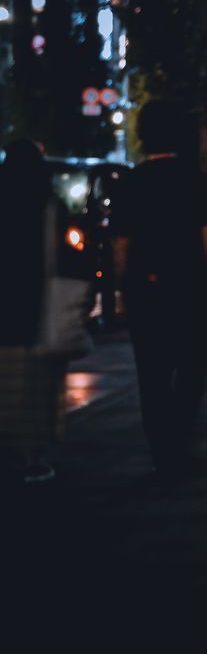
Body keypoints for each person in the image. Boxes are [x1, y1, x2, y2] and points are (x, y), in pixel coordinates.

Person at [111, 101, 207, 479]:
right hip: (189, 286)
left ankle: (163, 449)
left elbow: (121, 244)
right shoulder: (196, 181)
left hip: (145, 289)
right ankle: (181, 436)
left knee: (152, 371)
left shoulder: (130, 183)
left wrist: (121, 290)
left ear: (143, 136)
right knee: (195, 361)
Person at [0, 138, 69, 483]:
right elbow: (67, 259)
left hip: (5, 306)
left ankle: (9, 450)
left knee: (6, 383)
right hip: (42, 302)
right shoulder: (49, 204)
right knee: (38, 386)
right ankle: (34, 456)